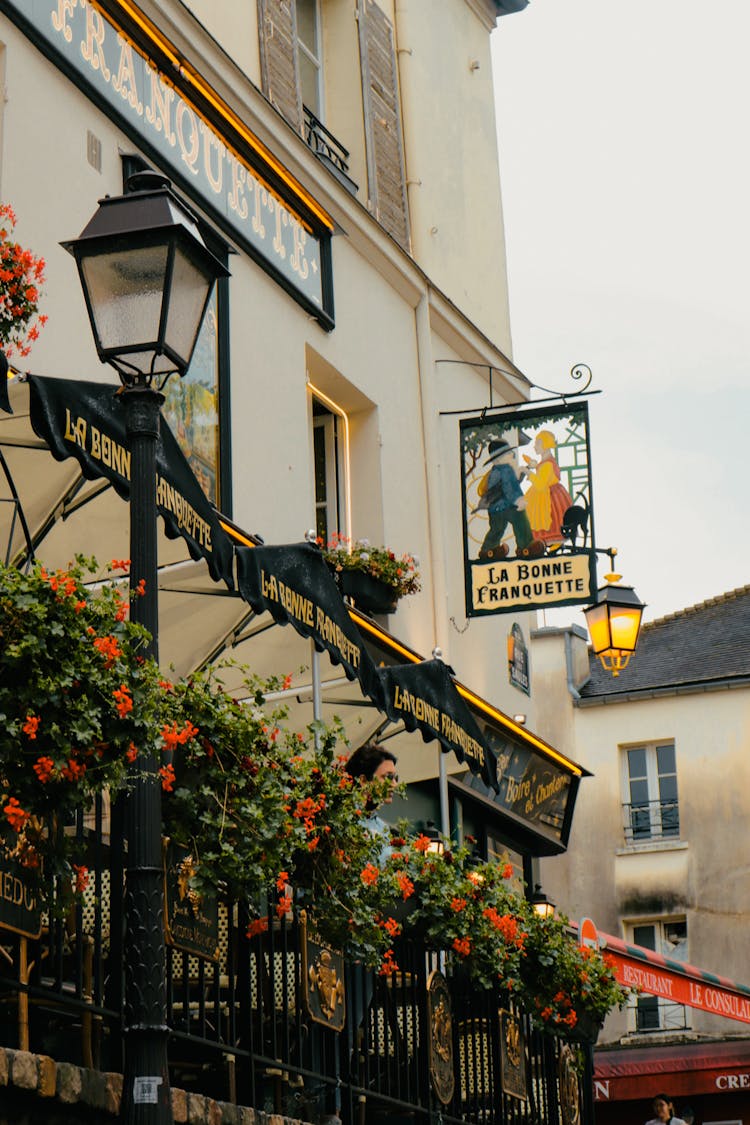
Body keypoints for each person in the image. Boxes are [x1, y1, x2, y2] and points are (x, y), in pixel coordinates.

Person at [475, 439, 544, 560]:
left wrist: (525, 469)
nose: (512, 455)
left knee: (497, 528)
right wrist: (518, 501)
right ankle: (526, 545)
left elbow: (512, 483)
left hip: (495, 508)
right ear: (498, 459)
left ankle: (488, 549)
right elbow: (509, 488)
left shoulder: (499, 470)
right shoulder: (505, 470)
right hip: (505, 506)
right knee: (520, 519)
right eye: (507, 453)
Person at [344, 743, 398, 861]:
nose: (395, 784)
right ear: (363, 781)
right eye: (388, 777)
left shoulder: (383, 828)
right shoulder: (342, 820)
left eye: (395, 778)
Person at [522, 430, 573, 545]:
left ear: (545, 444)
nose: (535, 446)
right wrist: (535, 466)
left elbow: (540, 484)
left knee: (551, 522)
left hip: (549, 497)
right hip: (548, 494)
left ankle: (551, 544)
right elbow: (543, 472)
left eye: (538, 443)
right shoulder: (546, 461)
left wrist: (527, 472)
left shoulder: (548, 464)